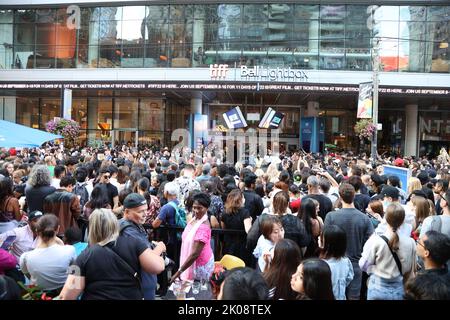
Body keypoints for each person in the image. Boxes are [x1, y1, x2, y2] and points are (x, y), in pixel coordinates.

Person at [58, 208, 165, 300]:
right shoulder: (134, 243)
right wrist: (161, 250)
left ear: (92, 229)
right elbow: (157, 267)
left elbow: (67, 296)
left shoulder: (83, 256)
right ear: (115, 224)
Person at [324, 183, 374, 300]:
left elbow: (325, 239)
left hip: (335, 263)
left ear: (340, 198)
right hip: (356, 263)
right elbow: (370, 242)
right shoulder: (364, 218)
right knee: (354, 297)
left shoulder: (331, 216)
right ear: (354, 196)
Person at [359, 203, 416, 300]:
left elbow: (363, 265)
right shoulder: (410, 242)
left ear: (386, 218)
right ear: (403, 221)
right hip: (399, 289)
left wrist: (372, 269)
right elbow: (411, 268)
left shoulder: (375, 240)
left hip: (377, 288)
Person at [119, 193, 167, 300]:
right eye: (140, 211)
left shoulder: (132, 226)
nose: (145, 214)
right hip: (139, 288)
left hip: (143, 285)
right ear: (127, 212)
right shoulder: (128, 232)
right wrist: (160, 247)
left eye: (146, 210)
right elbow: (150, 262)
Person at [19, 214, 76, 295]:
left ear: (37, 231)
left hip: (38, 295)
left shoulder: (25, 257)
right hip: (64, 294)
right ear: (58, 229)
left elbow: (29, 275)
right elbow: (74, 274)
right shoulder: (70, 250)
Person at [170, 193, 214, 284]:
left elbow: (194, 254)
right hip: (192, 262)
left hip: (199, 266)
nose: (196, 211)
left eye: (200, 208)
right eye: (194, 207)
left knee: (197, 292)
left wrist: (178, 273)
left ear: (207, 208)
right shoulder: (195, 219)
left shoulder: (203, 227)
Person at [320, 225, 354, 300]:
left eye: (322, 238)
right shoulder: (346, 261)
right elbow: (349, 277)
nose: (319, 239)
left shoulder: (322, 265)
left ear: (327, 244)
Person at [221, 189, 253, 265]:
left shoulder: (224, 213)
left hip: (228, 244)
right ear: (241, 199)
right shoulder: (245, 212)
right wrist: (250, 221)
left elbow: (223, 228)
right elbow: (248, 230)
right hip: (241, 245)